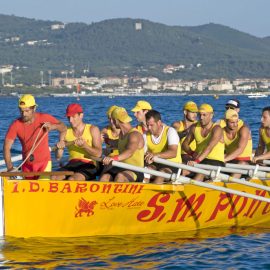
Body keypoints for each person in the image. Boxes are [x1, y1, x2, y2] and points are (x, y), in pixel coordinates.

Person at [3, 94, 66, 178]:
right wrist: (10, 168)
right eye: (21, 111)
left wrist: (53, 127)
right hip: (27, 166)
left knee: (42, 188)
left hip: (44, 164)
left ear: (34, 108)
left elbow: (63, 127)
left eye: (27, 111)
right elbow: (6, 147)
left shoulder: (44, 118)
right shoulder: (16, 125)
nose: (24, 114)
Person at [52, 103, 102, 181]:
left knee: (72, 179)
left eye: (73, 117)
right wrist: (59, 148)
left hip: (89, 164)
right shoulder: (65, 131)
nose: (71, 120)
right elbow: (58, 157)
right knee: (54, 178)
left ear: (81, 115)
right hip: (72, 163)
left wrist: (85, 146)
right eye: (69, 117)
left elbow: (98, 153)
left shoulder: (93, 129)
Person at [100, 107, 145, 182]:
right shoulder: (122, 134)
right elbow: (118, 143)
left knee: (120, 177)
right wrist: (107, 140)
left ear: (117, 121)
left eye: (112, 120)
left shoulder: (134, 134)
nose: (111, 122)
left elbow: (129, 151)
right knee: (104, 177)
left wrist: (113, 158)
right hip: (121, 167)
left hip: (135, 170)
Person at [182, 104, 224, 181]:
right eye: (200, 115)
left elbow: (209, 147)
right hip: (200, 160)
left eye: (204, 115)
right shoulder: (194, 127)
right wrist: (192, 153)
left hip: (215, 162)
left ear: (211, 115)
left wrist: (197, 161)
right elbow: (184, 144)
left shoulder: (217, 129)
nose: (201, 118)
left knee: (201, 172)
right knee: (182, 169)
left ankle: (193, 190)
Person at [144, 110, 181, 184]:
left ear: (159, 123)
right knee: (145, 172)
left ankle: (152, 193)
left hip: (172, 165)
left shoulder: (170, 131)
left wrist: (155, 155)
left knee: (161, 174)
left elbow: (173, 152)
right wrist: (146, 157)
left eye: (151, 125)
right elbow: (143, 153)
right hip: (155, 164)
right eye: (147, 125)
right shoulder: (145, 135)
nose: (149, 128)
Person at [223, 109, 252, 178]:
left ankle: (229, 186)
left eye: (237, 122)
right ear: (225, 121)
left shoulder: (244, 129)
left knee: (241, 164)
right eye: (232, 122)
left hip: (245, 163)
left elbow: (240, 149)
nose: (235, 125)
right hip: (231, 161)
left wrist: (225, 159)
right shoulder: (221, 131)